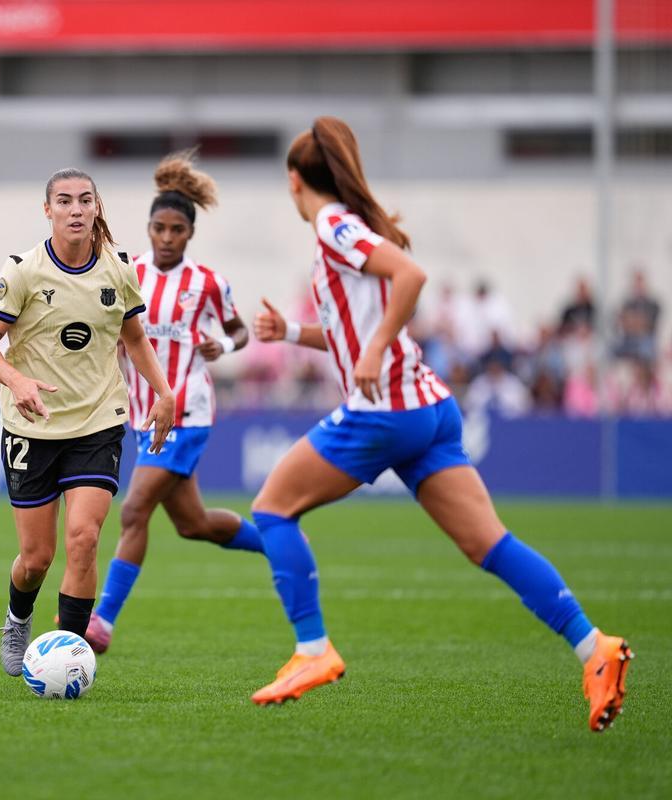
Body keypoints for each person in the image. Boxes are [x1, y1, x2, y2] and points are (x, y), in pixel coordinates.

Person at [247, 117, 631, 732]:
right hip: (429, 407)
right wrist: (292, 333)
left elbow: (411, 277)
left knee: (272, 509)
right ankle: (595, 649)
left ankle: (313, 650)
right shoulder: (350, 226)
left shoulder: (331, 224)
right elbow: (353, 332)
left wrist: (374, 351)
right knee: (490, 544)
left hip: (385, 412)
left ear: (295, 182)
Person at [0, 167, 175, 677]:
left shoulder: (117, 268)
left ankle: (67, 655)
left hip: (99, 420)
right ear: (48, 211)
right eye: (65, 201)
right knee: (36, 557)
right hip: (31, 427)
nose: (77, 210)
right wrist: (18, 383)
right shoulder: (23, 271)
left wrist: (165, 392)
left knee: (83, 539)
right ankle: (19, 620)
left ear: (97, 207)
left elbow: (133, 339)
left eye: (86, 200)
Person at [82, 151, 262, 654]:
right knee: (193, 524)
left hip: (186, 413)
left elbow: (239, 330)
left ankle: (102, 623)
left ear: (189, 234)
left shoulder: (206, 283)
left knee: (134, 509)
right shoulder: (127, 272)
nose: (165, 237)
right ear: (148, 228)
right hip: (141, 415)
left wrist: (222, 346)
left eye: (176, 230)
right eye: (158, 228)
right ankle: (279, 543)